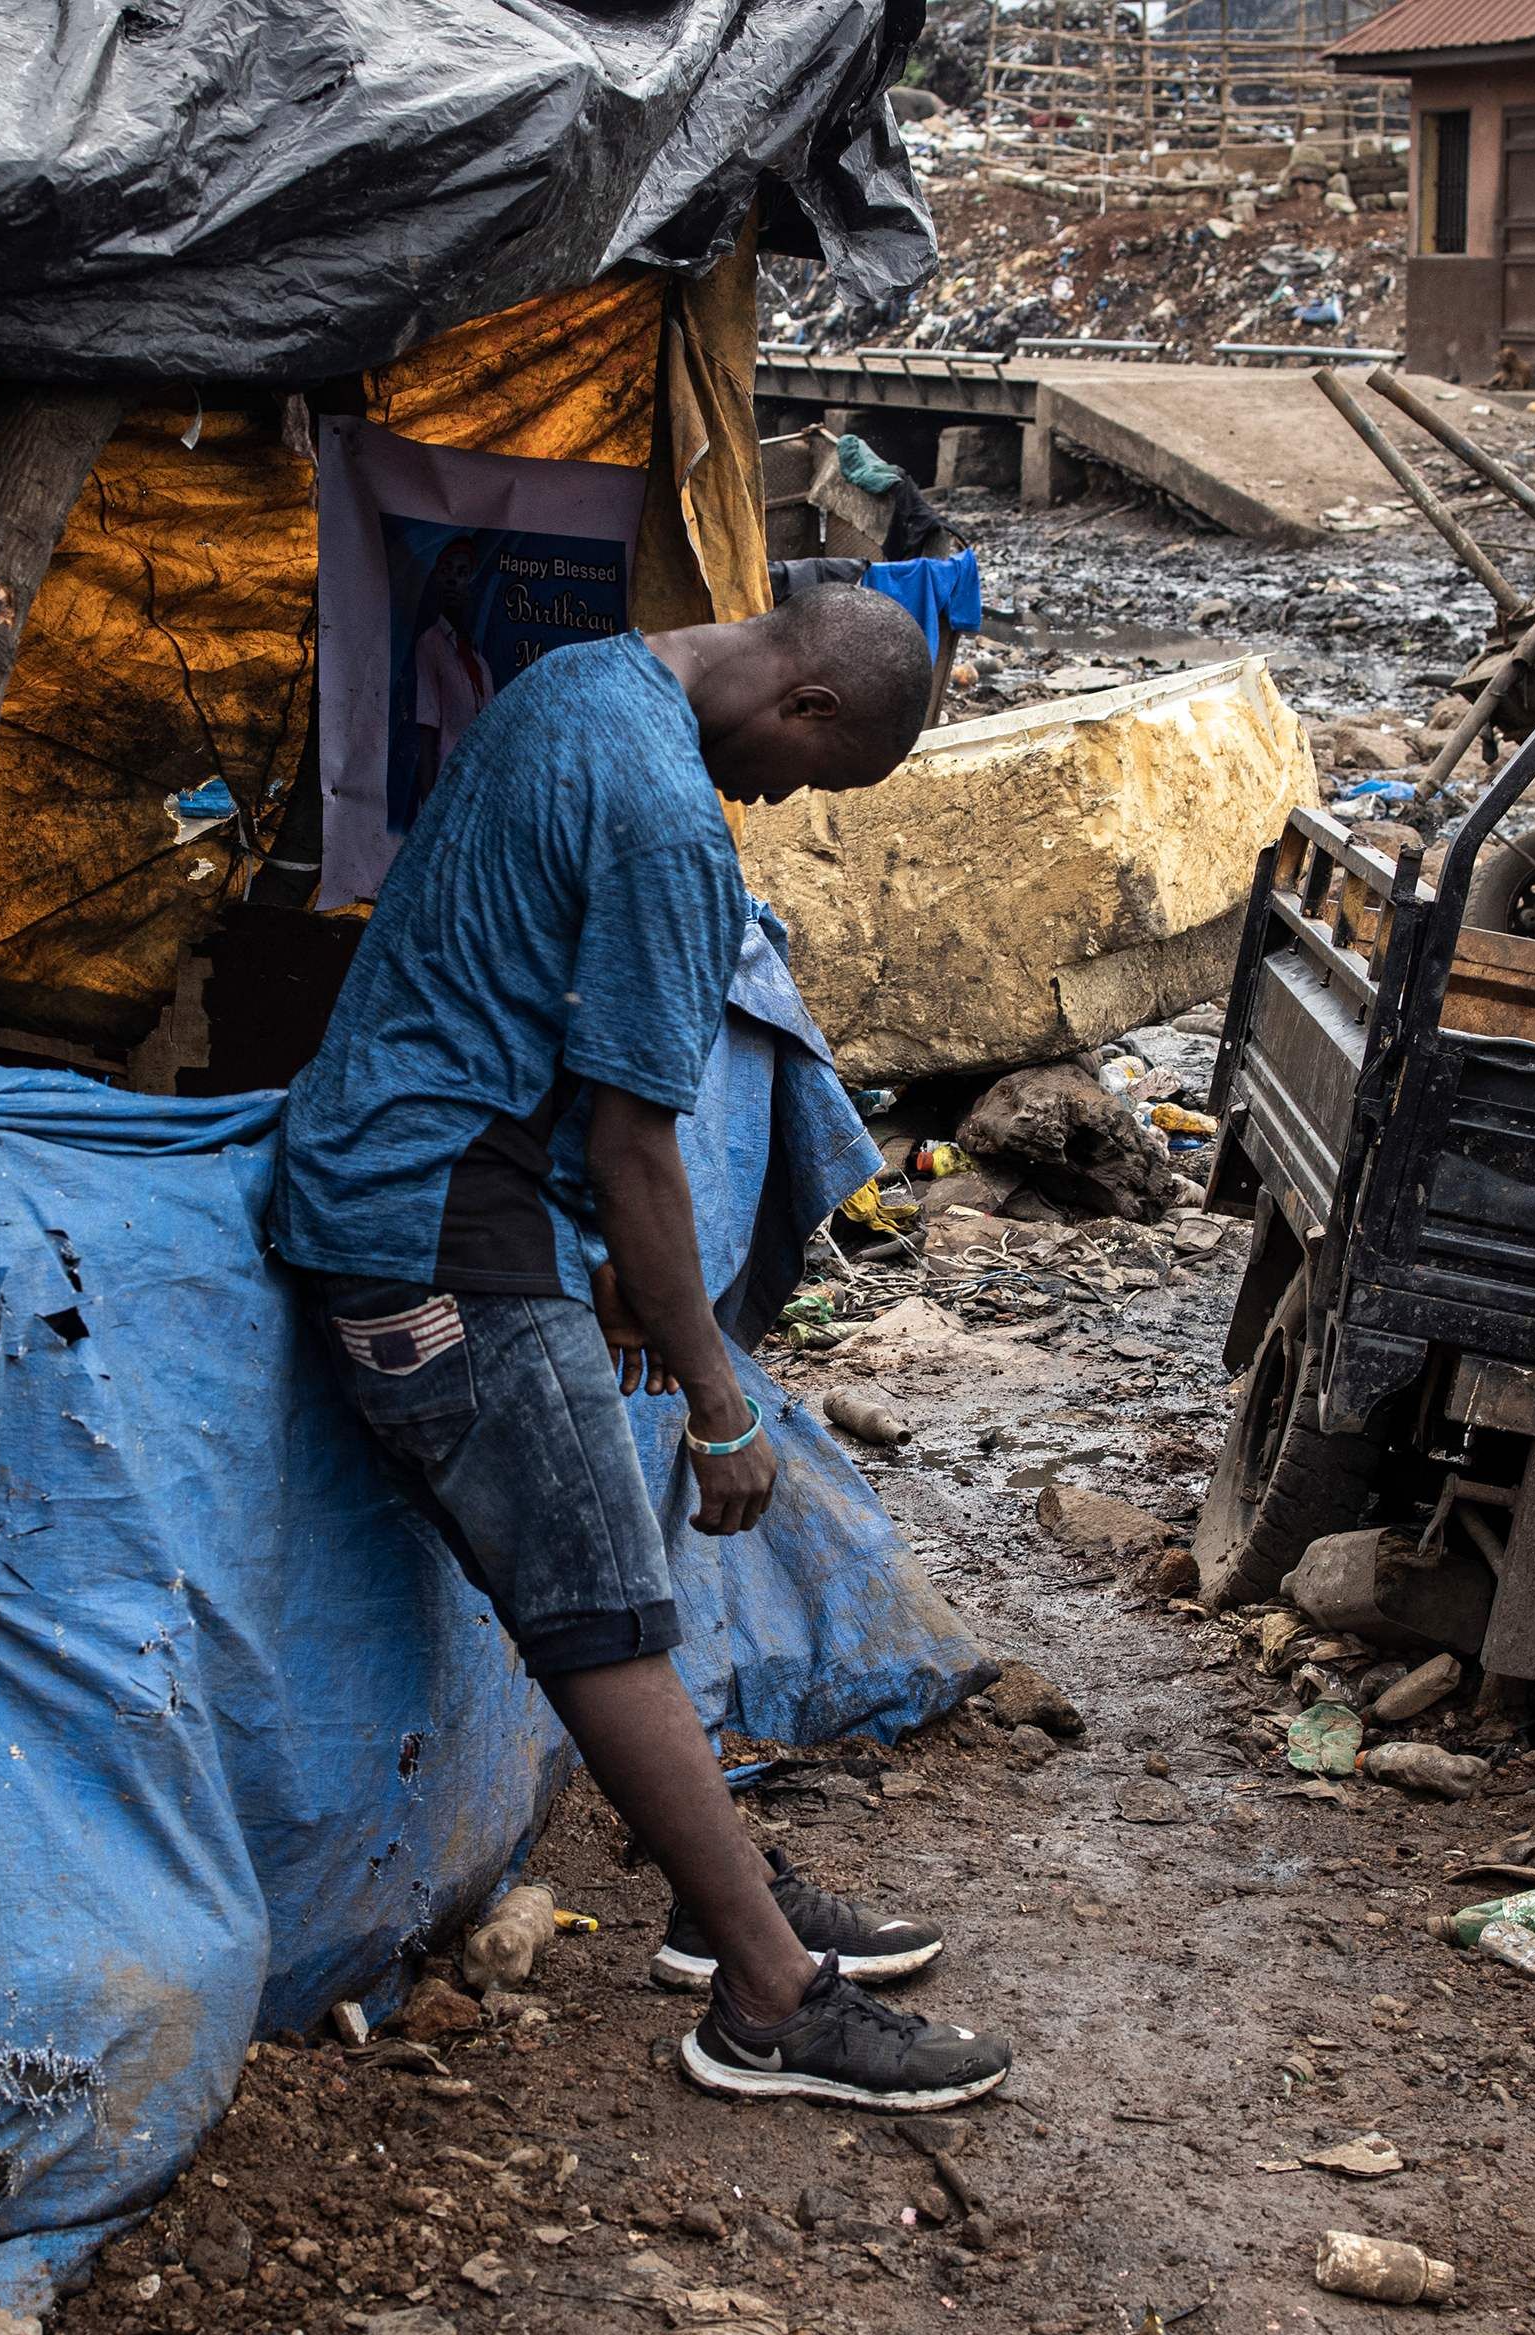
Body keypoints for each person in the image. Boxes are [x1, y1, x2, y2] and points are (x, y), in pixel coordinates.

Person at [271, 582, 1010, 2111]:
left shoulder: (581, 681)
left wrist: (606, 1278)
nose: (780, 799)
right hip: (432, 1222)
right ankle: (765, 1998)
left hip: (414, 1169)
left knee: (609, 1566)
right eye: (811, 775)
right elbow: (638, 1150)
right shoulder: (673, 821)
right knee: (604, 1598)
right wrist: (722, 1396)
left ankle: (713, 1891)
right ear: (806, 705)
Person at [400, 535, 493, 832]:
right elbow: (428, 733)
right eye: (447, 571)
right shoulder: (430, 645)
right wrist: (431, 811)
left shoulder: (480, 663)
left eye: (462, 573)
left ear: (472, 585)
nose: (453, 580)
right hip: (445, 800)